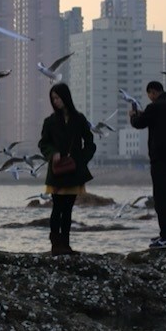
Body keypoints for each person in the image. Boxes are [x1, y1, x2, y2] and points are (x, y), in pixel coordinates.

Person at [37, 82, 96, 256]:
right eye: (53, 99)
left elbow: (90, 142)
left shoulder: (79, 119)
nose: (55, 101)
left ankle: (66, 244)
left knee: (68, 209)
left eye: (57, 97)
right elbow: (43, 143)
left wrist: (81, 160)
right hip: (56, 170)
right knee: (57, 208)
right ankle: (56, 244)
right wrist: (52, 153)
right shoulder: (49, 121)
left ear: (66, 97)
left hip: (74, 171)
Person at [129, 80, 166, 249]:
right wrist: (147, 114)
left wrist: (133, 116)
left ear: (152, 92)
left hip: (160, 159)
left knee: (160, 199)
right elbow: (162, 122)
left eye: (150, 95)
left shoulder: (154, 108)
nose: (150, 98)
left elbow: (139, 124)